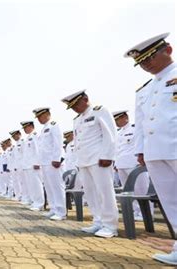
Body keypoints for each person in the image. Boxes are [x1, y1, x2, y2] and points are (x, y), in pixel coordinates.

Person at [124, 33, 177, 265]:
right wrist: (141, 150)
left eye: (149, 58)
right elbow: (142, 123)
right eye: (142, 62)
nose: (146, 65)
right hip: (155, 152)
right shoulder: (144, 89)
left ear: (168, 50)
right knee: (170, 202)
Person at [61, 90, 119, 238]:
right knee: (91, 193)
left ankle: (110, 226)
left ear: (85, 99)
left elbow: (110, 134)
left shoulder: (100, 111)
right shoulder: (77, 119)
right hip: (83, 161)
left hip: (99, 160)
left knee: (104, 192)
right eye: (72, 107)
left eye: (76, 104)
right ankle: (98, 221)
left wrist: (108, 155)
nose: (74, 108)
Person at [112, 110, 152, 221]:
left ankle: (146, 214)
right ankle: (135, 211)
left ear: (125, 117)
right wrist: (116, 162)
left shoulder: (135, 129)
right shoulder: (118, 133)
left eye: (118, 119)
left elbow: (141, 144)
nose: (116, 122)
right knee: (128, 191)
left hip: (134, 164)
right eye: (115, 120)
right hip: (121, 165)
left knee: (141, 190)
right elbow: (117, 149)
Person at [34, 107, 66, 220]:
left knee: (57, 186)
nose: (38, 119)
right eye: (37, 117)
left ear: (47, 114)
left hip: (53, 162)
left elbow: (58, 142)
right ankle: (53, 209)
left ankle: (61, 212)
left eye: (40, 116)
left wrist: (57, 158)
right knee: (49, 187)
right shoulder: (44, 129)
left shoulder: (54, 125)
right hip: (45, 162)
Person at [20, 121, 45, 211]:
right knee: (31, 185)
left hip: (34, 165)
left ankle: (39, 204)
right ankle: (34, 202)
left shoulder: (35, 135)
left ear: (31, 126)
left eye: (25, 127)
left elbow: (38, 149)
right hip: (28, 165)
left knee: (37, 185)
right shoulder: (28, 137)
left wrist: (38, 162)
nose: (24, 130)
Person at [9, 130, 24, 201]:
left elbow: (25, 155)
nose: (13, 137)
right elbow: (15, 158)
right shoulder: (15, 146)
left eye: (14, 135)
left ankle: (24, 197)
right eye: (12, 136)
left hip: (23, 166)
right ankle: (19, 196)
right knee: (18, 182)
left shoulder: (23, 141)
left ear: (19, 134)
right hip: (17, 167)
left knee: (23, 183)